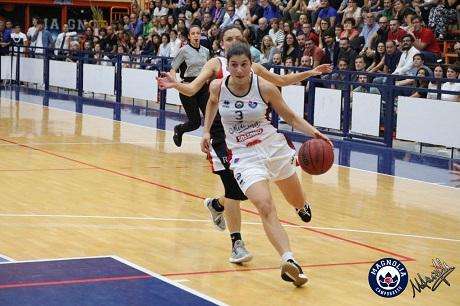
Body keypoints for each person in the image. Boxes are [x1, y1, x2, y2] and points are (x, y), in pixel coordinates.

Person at [157, 25, 332, 264]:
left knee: (240, 192)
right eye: (228, 39)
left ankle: (217, 204)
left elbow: (282, 81)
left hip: (261, 137)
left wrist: (310, 73)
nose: (233, 42)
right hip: (224, 137)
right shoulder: (215, 66)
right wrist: (178, 88)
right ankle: (237, 243)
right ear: (222, 44)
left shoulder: (255, 70)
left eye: (238, 38)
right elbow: (195, 90)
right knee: (237, 191)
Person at [201, 42, 332, 286]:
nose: (239, 70)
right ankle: (289, 260)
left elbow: (290, 117)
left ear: (252, 65)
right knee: (264, 205)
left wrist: (315, 134)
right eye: (234, 65)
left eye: (244, 65)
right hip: (243, 156)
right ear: (227, 66)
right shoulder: (218, 86)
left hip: (273, 148)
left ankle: (300, 204)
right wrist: (206, 131)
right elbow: (211, 104)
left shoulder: (264, 87)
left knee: (296, 200)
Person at [169, 25, 210, 147]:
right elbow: (173, 69)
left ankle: (213, 148)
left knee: (211, 119)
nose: (196, 36)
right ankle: (179, 129)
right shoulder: (184, 50)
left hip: (203, 87)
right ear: (189, 36)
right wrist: (175, 83)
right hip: (188, 87)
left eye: (198, 33)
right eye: (193, 33)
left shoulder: (206, 51)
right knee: (195, 122)